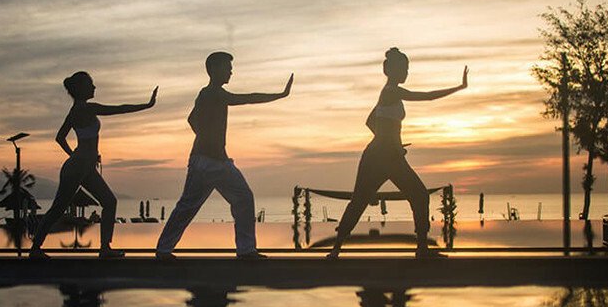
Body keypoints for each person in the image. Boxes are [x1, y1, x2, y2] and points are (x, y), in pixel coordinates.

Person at [327, 48, 467, 258]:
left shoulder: (387, 93)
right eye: (405, 68)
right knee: (361, 201)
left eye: (408, 68)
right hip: (378, 158)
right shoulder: (391, 91)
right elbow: (427, 97)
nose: (407, 72)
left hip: (389, 156)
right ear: (393, 70)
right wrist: (460, 87)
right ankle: (336, 249)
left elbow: (370, 121)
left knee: (418, 196)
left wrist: (392, 142)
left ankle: (421, 249)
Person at [155, 52, 293, 259]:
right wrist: (280, 95)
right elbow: (247, 99)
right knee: (230, 200)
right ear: (213, 70)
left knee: (209, 203)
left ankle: (165, 249)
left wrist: (207, 137)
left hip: (212, 161)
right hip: (208, 162)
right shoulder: (214, 93)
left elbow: (191, 119)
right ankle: (245, 250)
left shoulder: (205, 94)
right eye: (227, 67)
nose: (231, 71)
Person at [29, 71, 156, 259]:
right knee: (59, 207)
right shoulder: (84, 109)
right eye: (91, 84)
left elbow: (60, 137)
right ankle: (35, 249)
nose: (94, 87)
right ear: (82, 89)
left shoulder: (74, 111)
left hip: (83, 166)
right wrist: (148, 105)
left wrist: (80, 156)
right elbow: (119, 109)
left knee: (109, 201)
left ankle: (105, 248)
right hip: (77, 167)